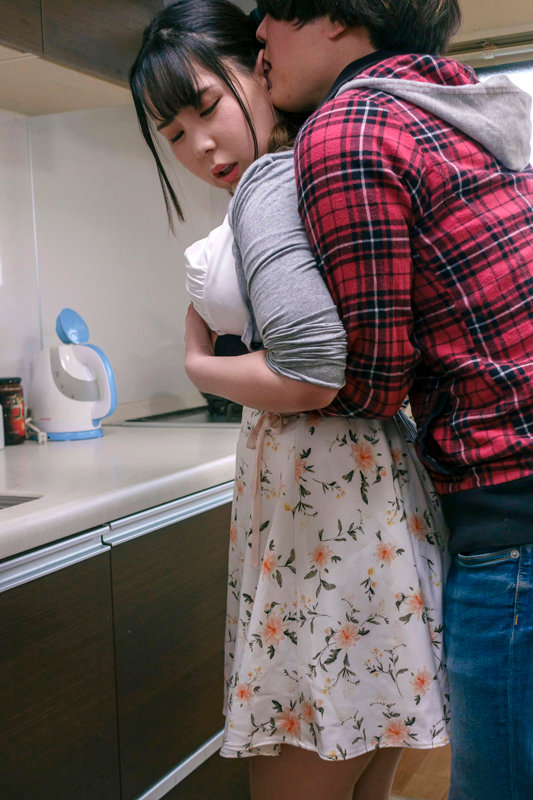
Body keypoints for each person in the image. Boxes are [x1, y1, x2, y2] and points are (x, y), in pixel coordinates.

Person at [129, 3, 451, 798]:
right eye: (174, 133)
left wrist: (199, 367)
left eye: (207, 106)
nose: (199, 146)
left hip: (326, 512)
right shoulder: (317, 170)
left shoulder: (275, 179)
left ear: (261, 67)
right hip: (366, 499)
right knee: (365, 782)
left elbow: (310, 375)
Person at [254, 2, 533, 799]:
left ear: (337, 17)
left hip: (510, 508)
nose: (260, 38)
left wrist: (211, 364)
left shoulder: (346, 128)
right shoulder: (459, 106)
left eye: (273, 15)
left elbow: (371, 377)